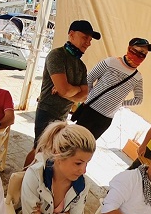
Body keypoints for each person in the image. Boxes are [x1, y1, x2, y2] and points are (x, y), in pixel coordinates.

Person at [25, 19, 98, 165]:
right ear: (71, 34)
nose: (88, 43)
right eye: (85, 37)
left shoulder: (81, 66)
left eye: (90, 40)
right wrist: (72, 90)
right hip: (47, 111)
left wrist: (72, 90)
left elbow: (83, 96)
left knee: (51, 151)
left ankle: (34, 178)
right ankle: (23, 177)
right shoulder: (56, 55)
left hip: (63, 115)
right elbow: (65, 90)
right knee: (39, 149)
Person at [72, 36, 151, 140]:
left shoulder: (137, 77)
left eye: (145, 54)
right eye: (140, 51)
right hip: (90, 110)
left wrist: (120, 103)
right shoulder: (110, 62)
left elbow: (138, 100)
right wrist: (90, 95)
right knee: (73, 140)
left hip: (106, 118)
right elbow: (90, 78)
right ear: (130, 48)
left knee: (86, 146)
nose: (141, 55)